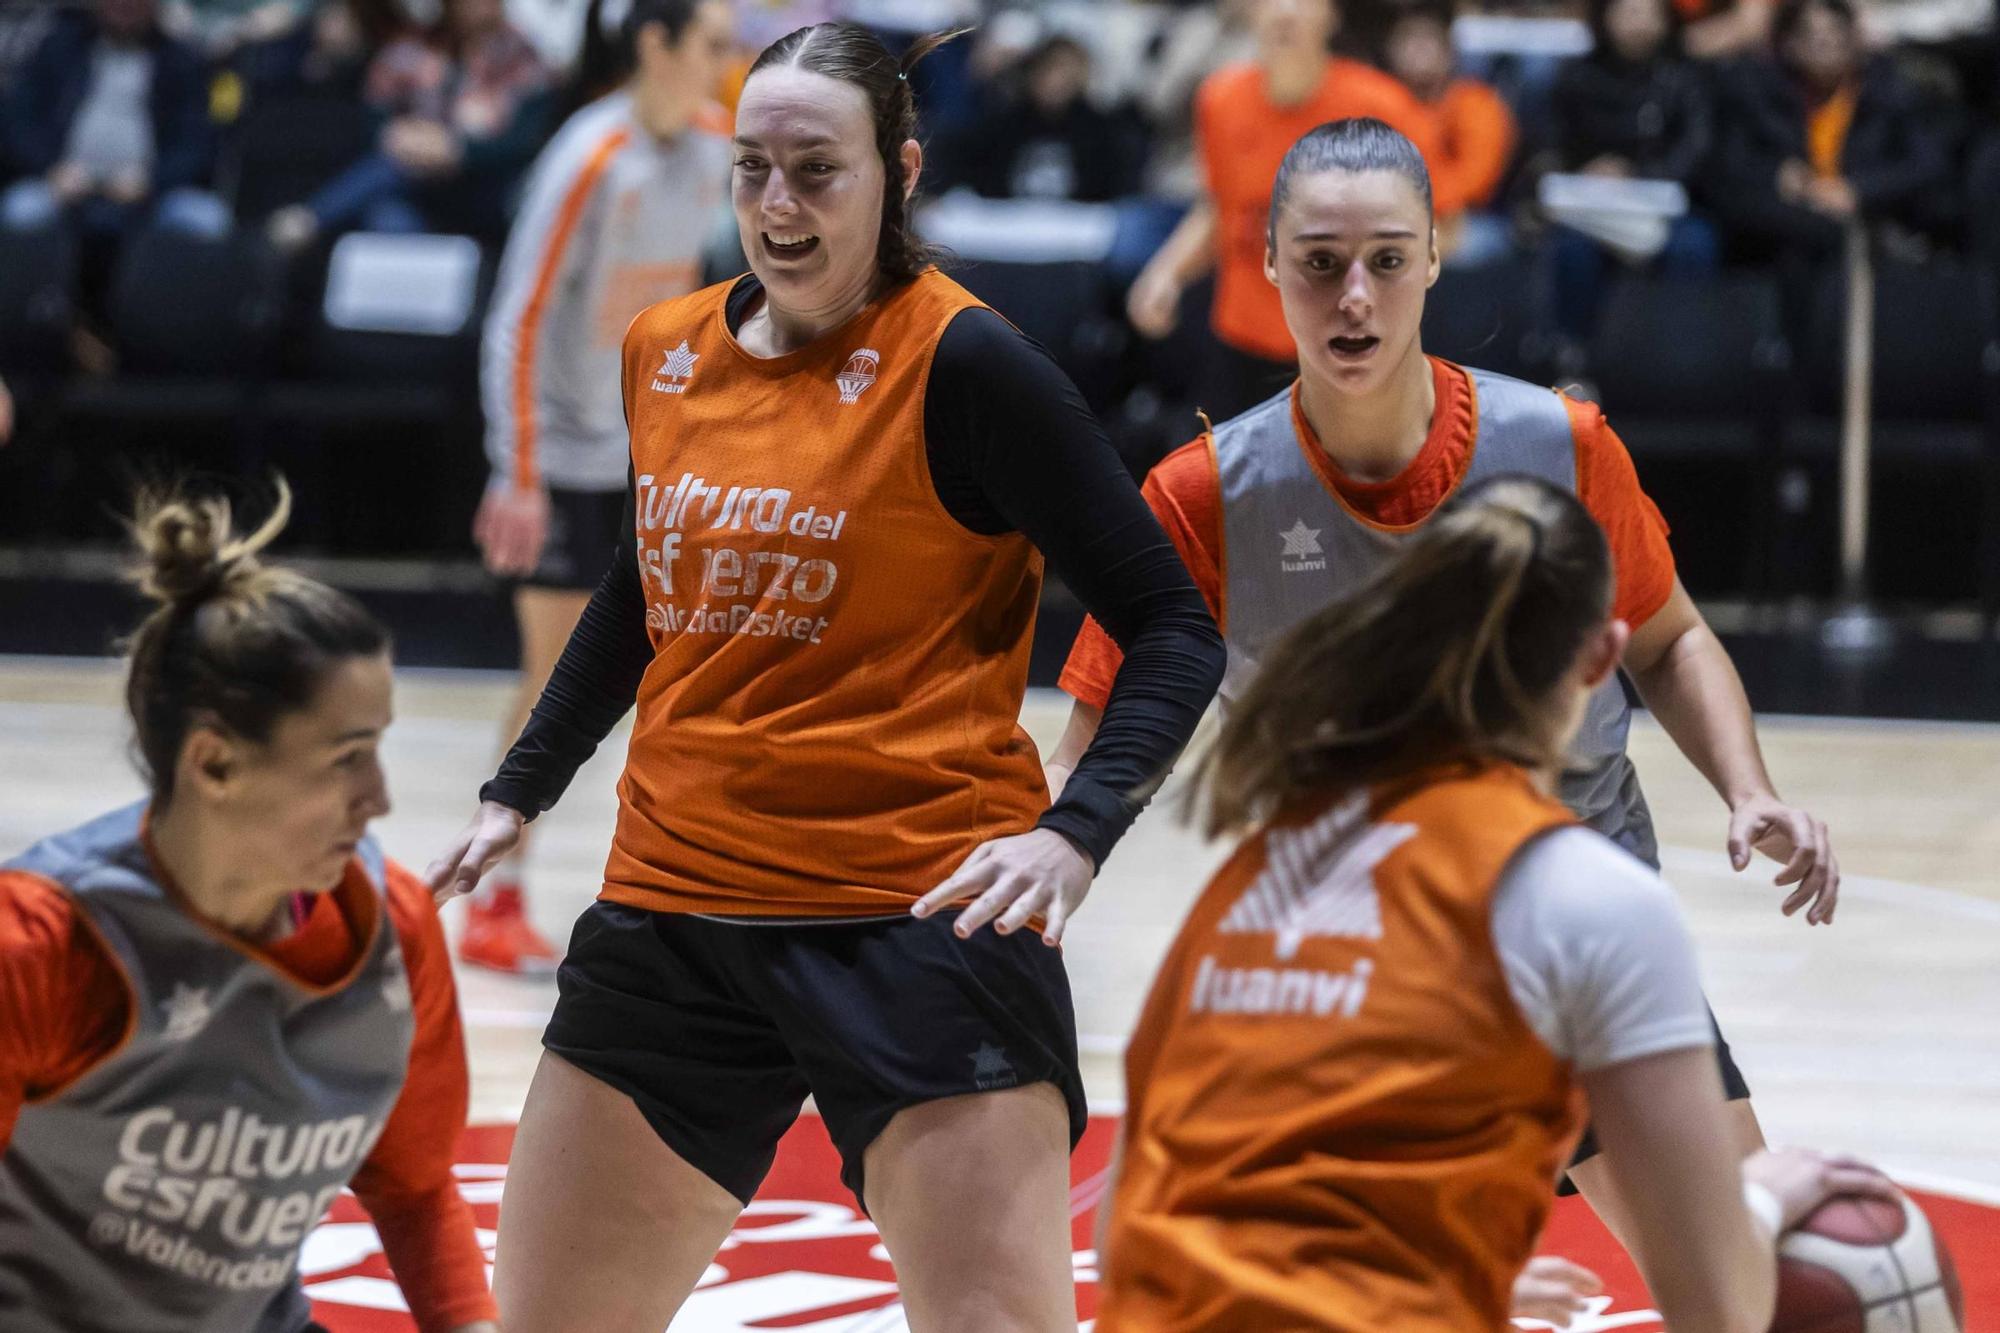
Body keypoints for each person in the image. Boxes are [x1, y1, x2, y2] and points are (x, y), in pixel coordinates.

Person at [425, 21, 1224, 1331]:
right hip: (674, 913)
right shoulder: (667, 350)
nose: (777, 204)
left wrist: (1077, 835)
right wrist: (522, 788)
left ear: (897, 172)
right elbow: (650, 591)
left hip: (918, 919)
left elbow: (1172, 625)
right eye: (751, 169)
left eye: (815, 169)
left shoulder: (969, 365)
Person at [1051, 118, 1843, 1261]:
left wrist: (1745, 789)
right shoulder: (1199, 495)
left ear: (1435, 253)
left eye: (1385, 258)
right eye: (1319, 263)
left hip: (1569, 923)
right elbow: (1107, 728)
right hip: (1344, 955)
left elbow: (1667, 641)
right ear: (1265, 262)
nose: (1353, 297)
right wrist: (1055, 851)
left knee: (1743, 1273)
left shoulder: (1560, 443)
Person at [1092, 473, 1898, 1332]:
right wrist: (1762, 1206)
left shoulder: (1264, 869)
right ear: (1600, 658)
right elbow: (1719, 1304)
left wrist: (1434, 1278)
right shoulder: (1582, 895)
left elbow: (1130, 1233)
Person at [0, 481, 495, 1333]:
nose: (379, 798)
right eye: (346, 759)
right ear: (215, 764)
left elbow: (415, 1189)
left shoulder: (395, 927)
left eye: (377, 750)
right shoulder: (39, 944)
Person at [464, 0, 736, 975]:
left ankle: (674, 894)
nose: (726, 61)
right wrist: (519, 471)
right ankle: (495, 895)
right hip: (567, 456)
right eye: (711, 44)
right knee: (552, 678)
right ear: (655, 46)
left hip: (656, 454)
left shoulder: (714, 145)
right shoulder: (589, 156)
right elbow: (519, 316)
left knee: (681, 673)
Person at [1124, 0, 1441, 423]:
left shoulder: (1381, 105)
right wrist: (1166, 273)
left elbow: (1437, 227)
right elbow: (1220, 209)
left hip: (1348, 344)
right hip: (1242, 341)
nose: (1286, 11)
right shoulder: (1220, 99)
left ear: (1332, 14)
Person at [267, 0, 551, 248]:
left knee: (392, 174)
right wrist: (403, 138)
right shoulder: (414, 48)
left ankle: (313, 217)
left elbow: (526, 141)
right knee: (387, 215)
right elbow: (374, 116)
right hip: (415, 180)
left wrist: (460, 151)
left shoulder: (524, 57)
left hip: (482, 186)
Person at [1546, 0, 1720, 351]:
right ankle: (1572, 356)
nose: (1637, 23)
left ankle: (1678, 352)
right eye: (1627, 12)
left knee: (1695, 245)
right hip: (1590, 211)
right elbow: (1551, 146)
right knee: (1572, 251)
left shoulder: (1687, 77)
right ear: (1605, 17)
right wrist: (1586, 172)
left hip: (1666, 208)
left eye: (1648, 13)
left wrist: (1638, 175)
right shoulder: (1576, 76)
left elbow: (1697, 151)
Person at [1379, 3, 1517, 267]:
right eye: (1408, 39)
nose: (1418, 49)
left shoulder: (1476, 102)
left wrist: (1425, 207)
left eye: (1428, 40)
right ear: (1391, 50)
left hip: (1467, 218)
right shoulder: (1377, 100)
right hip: (1391, 217)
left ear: (1449, 52)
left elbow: (1476, 180)